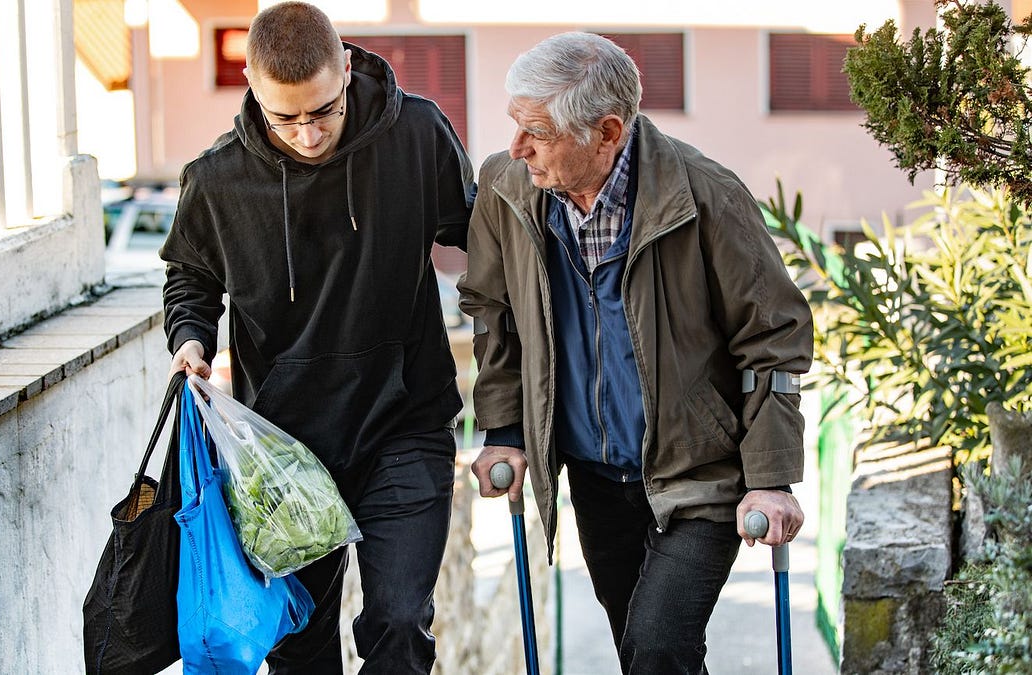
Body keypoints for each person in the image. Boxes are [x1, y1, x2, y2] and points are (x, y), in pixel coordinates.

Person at [459, 32, 814, 674]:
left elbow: (772, 339)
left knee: (657, 646)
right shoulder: (507, 188)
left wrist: (770, 477)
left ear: (607, 133)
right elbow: (495, 313)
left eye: (537, 132)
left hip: (699, 472)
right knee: (643, 654)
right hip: (595, 475)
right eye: (516, 124)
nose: (517, 147)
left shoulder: (707, 196)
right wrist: (505, 430)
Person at [158, 3, 475, 673]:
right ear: (251, 85)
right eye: (286, 118)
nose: (307, 134)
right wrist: (189, 339)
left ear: (347, 68)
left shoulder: (417, 135)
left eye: (324, 111)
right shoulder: (216, 180)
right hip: (284, 448)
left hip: (405, 422)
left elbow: (484, 239)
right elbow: (191, 276)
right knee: (300, 648)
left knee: (398, 622)